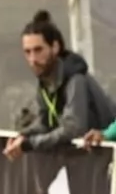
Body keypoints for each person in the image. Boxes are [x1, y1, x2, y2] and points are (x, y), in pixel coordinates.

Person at [7, 10, 116, 160]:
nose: (33, 59)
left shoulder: (75, 79)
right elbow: (46, 123)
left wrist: (29, 144)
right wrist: (23, 135)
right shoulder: (45, 80)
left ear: (55, 47)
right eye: (27, 52)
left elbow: (72, 129)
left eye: (38, 50)